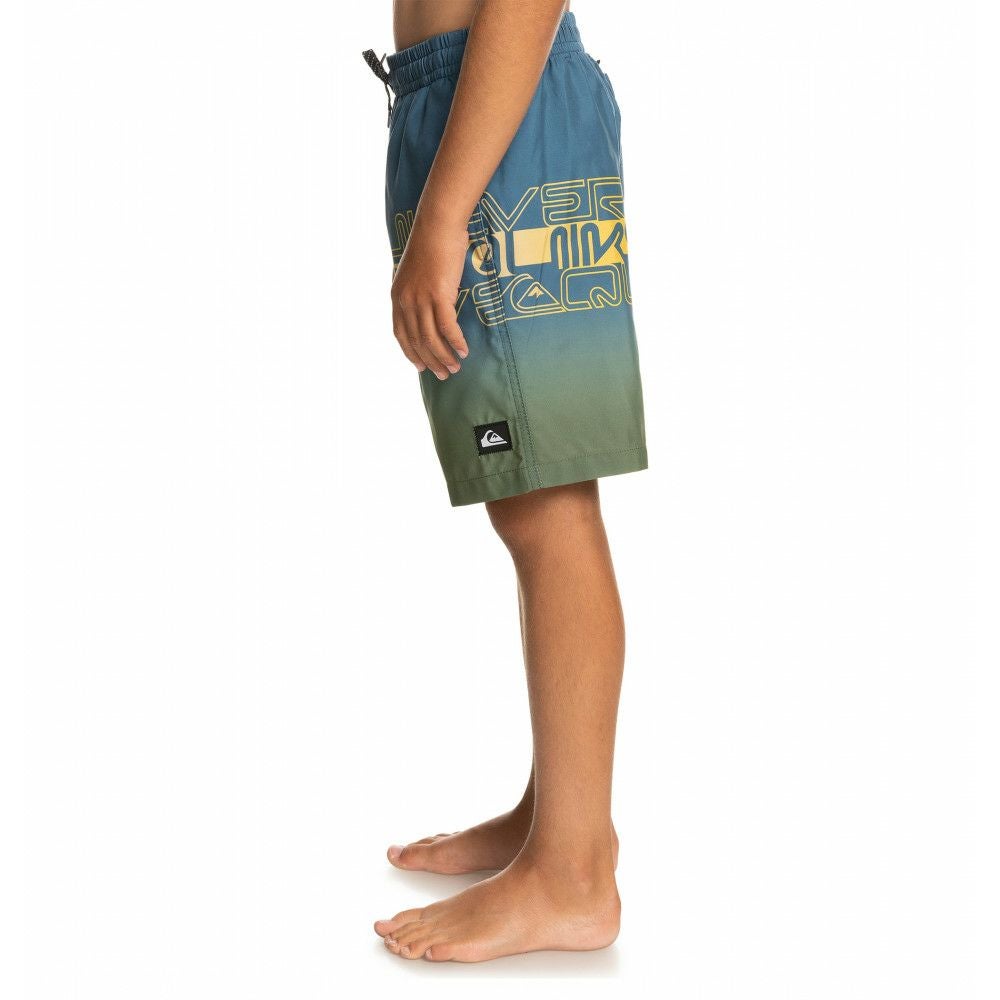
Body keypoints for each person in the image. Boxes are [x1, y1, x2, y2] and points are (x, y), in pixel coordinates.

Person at [362, 0, 647, 963]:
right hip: (471, 110)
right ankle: (557, 821)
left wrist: (446, 214)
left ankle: (571, 876)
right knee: (526, 497)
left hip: (497, 122)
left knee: (547, 503)